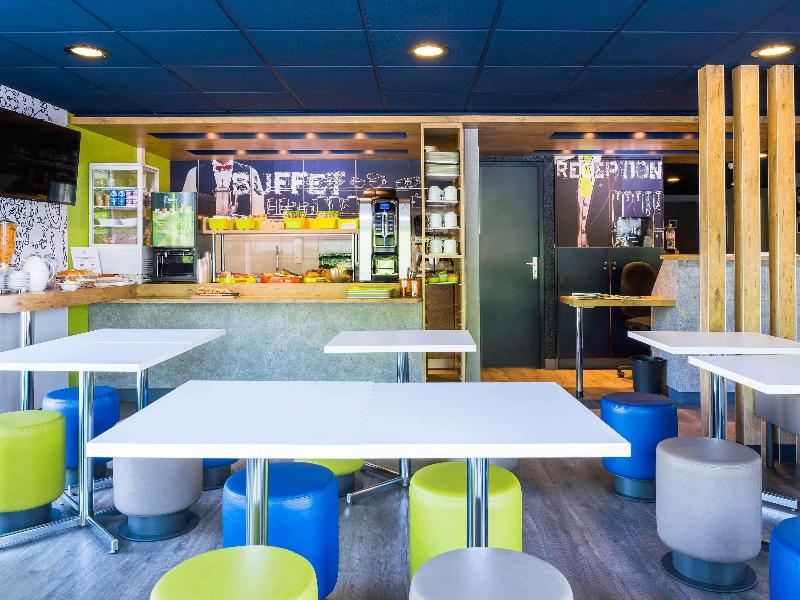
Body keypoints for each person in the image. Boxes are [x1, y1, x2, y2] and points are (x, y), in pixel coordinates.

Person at [182, 159, 265, 215]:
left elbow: (258, 208)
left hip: (241, 230)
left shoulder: (250, 172)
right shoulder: (194, 172)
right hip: (206, 232)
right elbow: (187, 206)